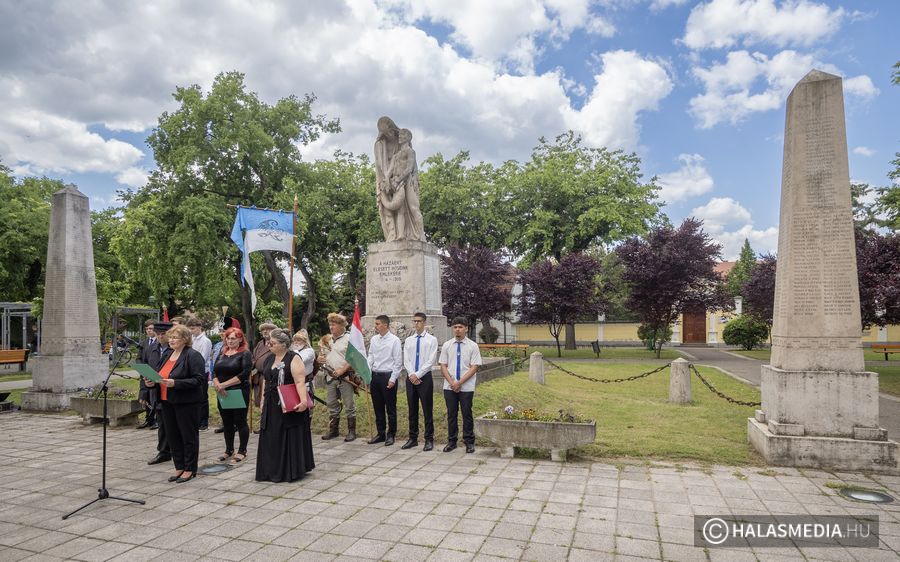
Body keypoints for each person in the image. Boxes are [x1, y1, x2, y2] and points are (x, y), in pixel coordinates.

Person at [144, 324, 206, 482]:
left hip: (186, 403)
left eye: (174, 337)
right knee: (172, 436)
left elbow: (198, 380)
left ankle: (190, 469)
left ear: (185, 339)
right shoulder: (167, 355)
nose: (170, 340)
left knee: (188, 436)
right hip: (166, 402)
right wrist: (152, 383)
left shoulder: (193, 355)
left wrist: (175, 383)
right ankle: (179, 467)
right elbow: (160, 376)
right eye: (169, 337)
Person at [256, 328, 314, 483]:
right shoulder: (270, 358)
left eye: (273, 343)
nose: (269, 345)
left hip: (288, 402)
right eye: (269, 342)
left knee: (286, 433)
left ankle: (288, 469)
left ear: (283, 344)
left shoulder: (293, 358)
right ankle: (270, 468)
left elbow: (300, 381)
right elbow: (266, 380)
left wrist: (303, 401)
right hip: (271, 402)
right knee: (271, 434)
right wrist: (262, 400)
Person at [440, 317, 482, 453]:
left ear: (466, 328)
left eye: (460, 327)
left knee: (466, 414)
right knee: (451, 414)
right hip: (449, 386)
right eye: (455, 327)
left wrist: (460, 382)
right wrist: (452, 382)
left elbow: (474, 366)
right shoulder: (447, 345)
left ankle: (469, 442)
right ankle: (452, 441)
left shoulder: (472, 346)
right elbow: (443, 365)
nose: (457, 329)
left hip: (466, 386)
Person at [212, 327, 252, 464]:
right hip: (222, 392)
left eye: (233, 338)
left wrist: (224, 385)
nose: (230, 341)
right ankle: (229, 450)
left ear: (240, 339)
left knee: (240, 421)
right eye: (228, 338)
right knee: (227, 422)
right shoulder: (222, 353)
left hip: (238, 391)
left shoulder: (245, 354)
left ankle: (242, 450)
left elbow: (245, 373)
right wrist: (217, 384)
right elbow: (214, 372)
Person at [317, 313, 357, 441]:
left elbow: (354, 358)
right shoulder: (327, 339)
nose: (331, 327)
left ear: (341, 326)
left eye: (333, 324)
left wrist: (342, 370)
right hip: (330, 377)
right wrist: (319, 359)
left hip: (345, 377)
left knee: (349, 404)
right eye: (330, 324)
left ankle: (352, 432)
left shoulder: (349, 338)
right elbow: (322, 356)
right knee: (332, 404)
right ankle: (333, 430)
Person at [401, 312, 438, 452]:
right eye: (414, 321)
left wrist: (418, 374)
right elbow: (406, 359)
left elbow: (431, 360)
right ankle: (413, 438)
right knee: (412, 409)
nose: (416, 324)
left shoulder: (431, 340)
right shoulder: (409, 340)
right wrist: (411, 374)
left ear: (424, 322)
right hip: (411, 378)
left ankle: (429, 439)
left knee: (427, 409)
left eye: (419, 321)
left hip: (425, 378)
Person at [366, 314, 402, 446]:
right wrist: (367, 371)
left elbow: (398, 361)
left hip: (388, 376)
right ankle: (380, 433)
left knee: (390, 408)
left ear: (385, 325)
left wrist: (393, 379)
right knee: (378, 407)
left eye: (377, 324)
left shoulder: (394, 340)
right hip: (375, 376)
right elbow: (371, 356)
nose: (375, 326)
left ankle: (391, 434)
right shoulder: (374, 339)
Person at [146, 322, 173, 465]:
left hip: (171, 391)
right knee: (162, 423)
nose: (161, 337)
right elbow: (147, 369)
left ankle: (174, 449)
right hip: (155, 392)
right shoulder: (151, 349)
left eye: (164, 334)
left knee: (173, 423)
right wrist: (145, 387)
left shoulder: (175, 349)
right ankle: (164, 452)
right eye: (158, 335)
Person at [186, 317, 213, 431]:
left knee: (202, 397)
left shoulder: (205, 341)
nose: (191, 331)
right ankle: (195, 419)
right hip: (191, 371)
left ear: (199, 327)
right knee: (194, 397)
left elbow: (202, 358)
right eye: (190, 329)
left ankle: (203, 421)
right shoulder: (191, 339)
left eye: (193, 328)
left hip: (202, 371)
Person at [137, 319, 160, 429]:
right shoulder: (144, 343)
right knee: (145, 396)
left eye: (151, 328)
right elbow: (139, 358)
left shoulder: (159, 342)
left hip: (155, 373)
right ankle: (148, 419)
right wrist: (142, 368)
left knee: (154, 397)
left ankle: (156, 419)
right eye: (147, 329)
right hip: (145, 373)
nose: (149, 331)